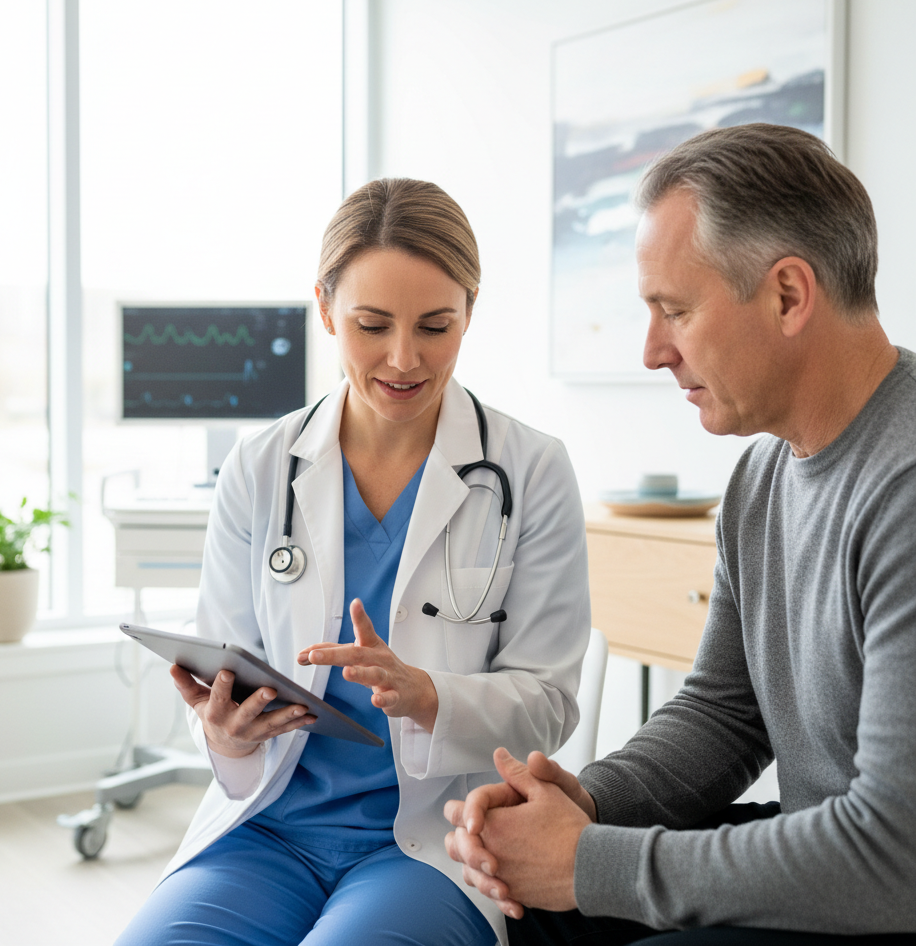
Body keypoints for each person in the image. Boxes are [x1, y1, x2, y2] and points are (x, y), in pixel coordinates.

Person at [444, 123, 916, 944]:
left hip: (883, 882)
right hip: (839, 855)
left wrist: (588, 862)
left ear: (788, 295)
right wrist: (580, 805)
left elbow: (894, 857)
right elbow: (725, 714)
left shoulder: (904, 487)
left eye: (677, 310)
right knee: (521, 915)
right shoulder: (761, 479)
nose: (654, 350)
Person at [115, 178, 591, 946]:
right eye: (372, 325)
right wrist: (228, 734)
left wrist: (429, 694)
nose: (404, 359)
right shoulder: (261, 466)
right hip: (264, 829)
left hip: (431, 840)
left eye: (436, 326)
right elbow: (227, 669)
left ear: (471, 311)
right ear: (326, 308)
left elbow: (549, 703)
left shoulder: (531, 471)